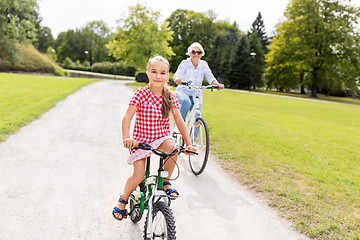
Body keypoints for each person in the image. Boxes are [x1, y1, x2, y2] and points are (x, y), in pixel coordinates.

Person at [112, 55, 196, 221]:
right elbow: (127, 117)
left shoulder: (170, 96)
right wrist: (126, 137)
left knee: (173, 148)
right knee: (139, 175)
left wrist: (189, 143)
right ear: (148, 73)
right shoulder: (141, 93)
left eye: (163, 73)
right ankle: (122, 200)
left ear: (167, 75)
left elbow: (179, 120)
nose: (158, 76)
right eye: (154, 72)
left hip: (161, 137)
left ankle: (164, 181)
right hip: (140, 140)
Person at [173, 42, 224, 121]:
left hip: (196, 93)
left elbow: (210, 77)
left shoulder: (204, 64)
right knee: (187, 103)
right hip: (183, 91)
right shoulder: (184, 63)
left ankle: (195, 133)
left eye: (199, 52)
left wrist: (217, 84)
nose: (196, 54)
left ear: (201, 54)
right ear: (189, 53)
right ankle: (179, 128)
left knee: (197, 116)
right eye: (193, 52)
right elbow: (177, 75)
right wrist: (177, 79)